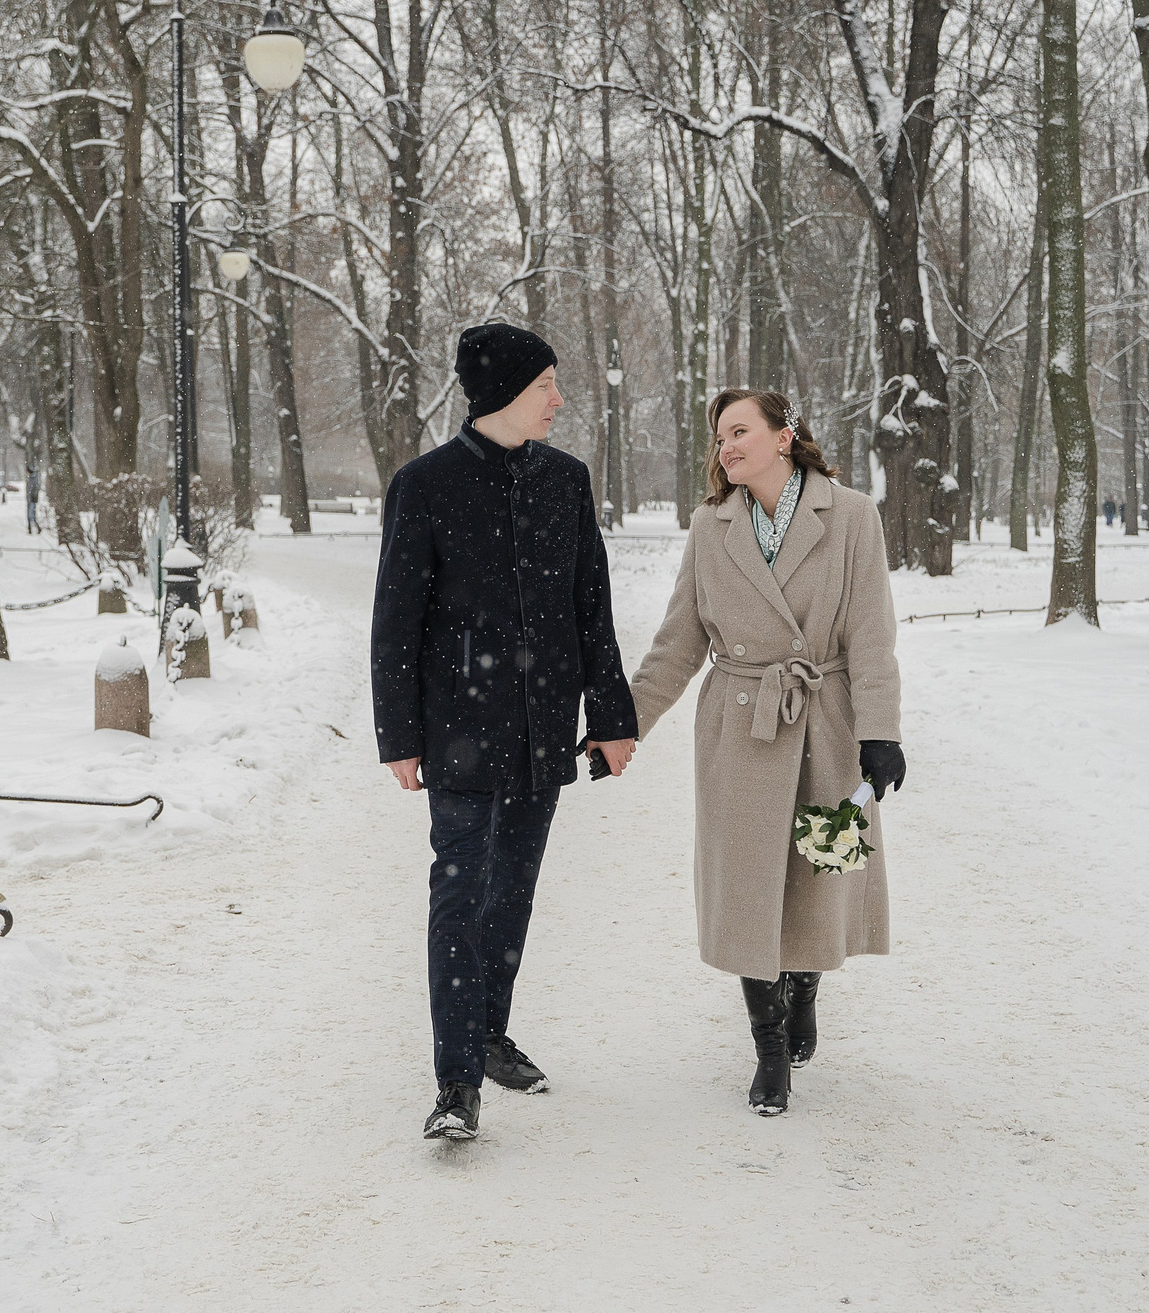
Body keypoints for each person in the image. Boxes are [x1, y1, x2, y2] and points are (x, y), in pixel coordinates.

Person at [372, 323, 638, 1144]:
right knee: (458, 894)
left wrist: (611, 717)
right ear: (503, 393)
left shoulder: (566, 480)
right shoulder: (425, 484)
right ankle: (457, 1082)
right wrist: (399, 735)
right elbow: (395, 620)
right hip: (458, 727)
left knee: (512, 891)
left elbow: (591, 606)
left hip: (543, 726)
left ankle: (489, 1033)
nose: (558, 399)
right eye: (545, 385)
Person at [629, 389, 905, 1117]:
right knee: (747, 888)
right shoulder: (710, 524)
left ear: (784, 436)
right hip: (740, 725)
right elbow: (679, 641)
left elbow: (871, 633)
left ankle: (805, 985)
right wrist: (625, 724)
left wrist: (881, 732)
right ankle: (769, 1045)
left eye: (739, 431)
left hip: (826, 718)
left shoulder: (852, 516)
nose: (725, 446)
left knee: (821, 872)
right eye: (719, 436)